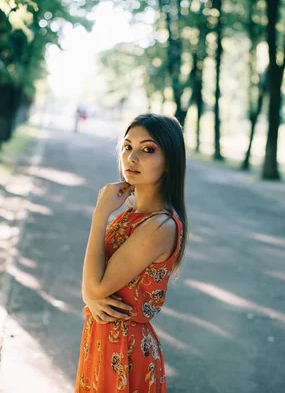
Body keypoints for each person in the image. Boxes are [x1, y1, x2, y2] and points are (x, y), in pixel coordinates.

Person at [75, 113, 188, 392]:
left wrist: (100, 213)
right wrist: (91, 295)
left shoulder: (159, 226)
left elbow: (96, 286)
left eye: (148, 149)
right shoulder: (130, 215)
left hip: (125, 351)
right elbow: (94, 283)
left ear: (169, 163)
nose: (132, 157)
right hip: (102, 339)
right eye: (127, 147)